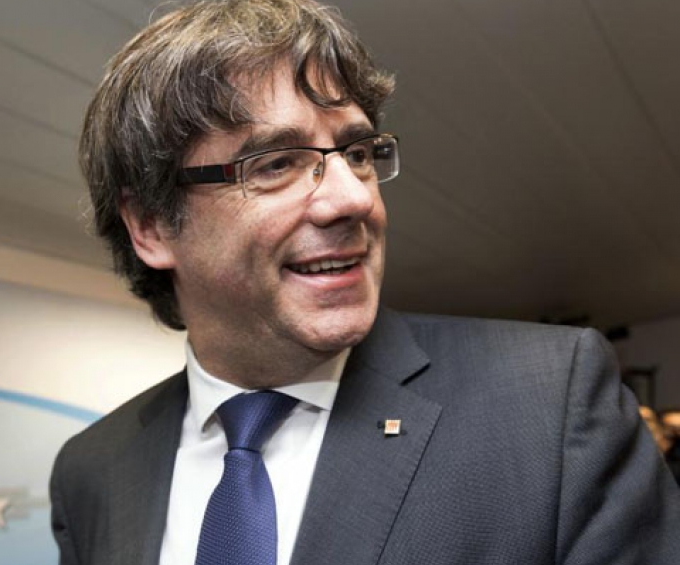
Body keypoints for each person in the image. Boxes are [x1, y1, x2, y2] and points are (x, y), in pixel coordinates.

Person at [49, 1, 680, 563]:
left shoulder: (548, 402)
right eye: (275, 163)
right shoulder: (92, 470)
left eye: (356, 153)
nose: (352, 197)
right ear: (152, 226)